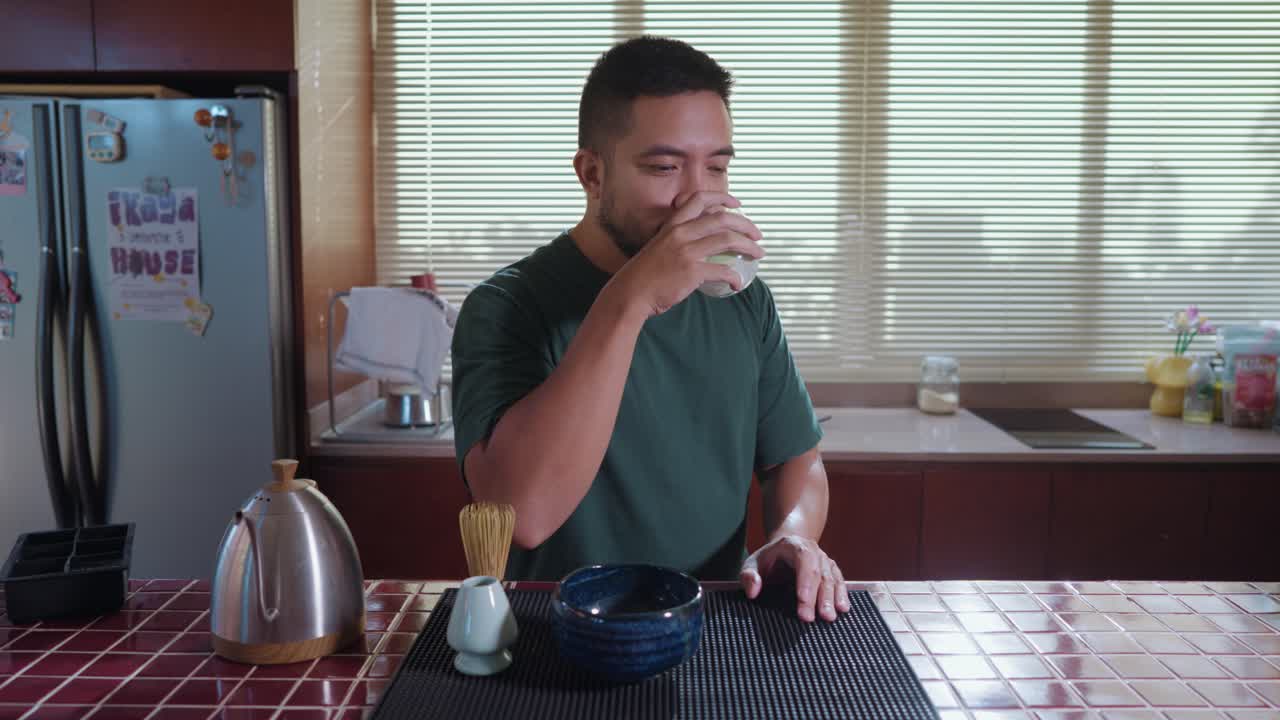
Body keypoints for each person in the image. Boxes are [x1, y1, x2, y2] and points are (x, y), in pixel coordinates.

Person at [451, 36, 849, 623]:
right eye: (664, 167)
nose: (698, 196)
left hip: (715, 624)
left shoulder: (742, 299)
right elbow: (524, 514)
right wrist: (631, 298)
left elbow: (797, 459)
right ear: (591, 172)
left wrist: (795, 534)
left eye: (716, 166)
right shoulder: (508, 305)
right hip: (557, 632)